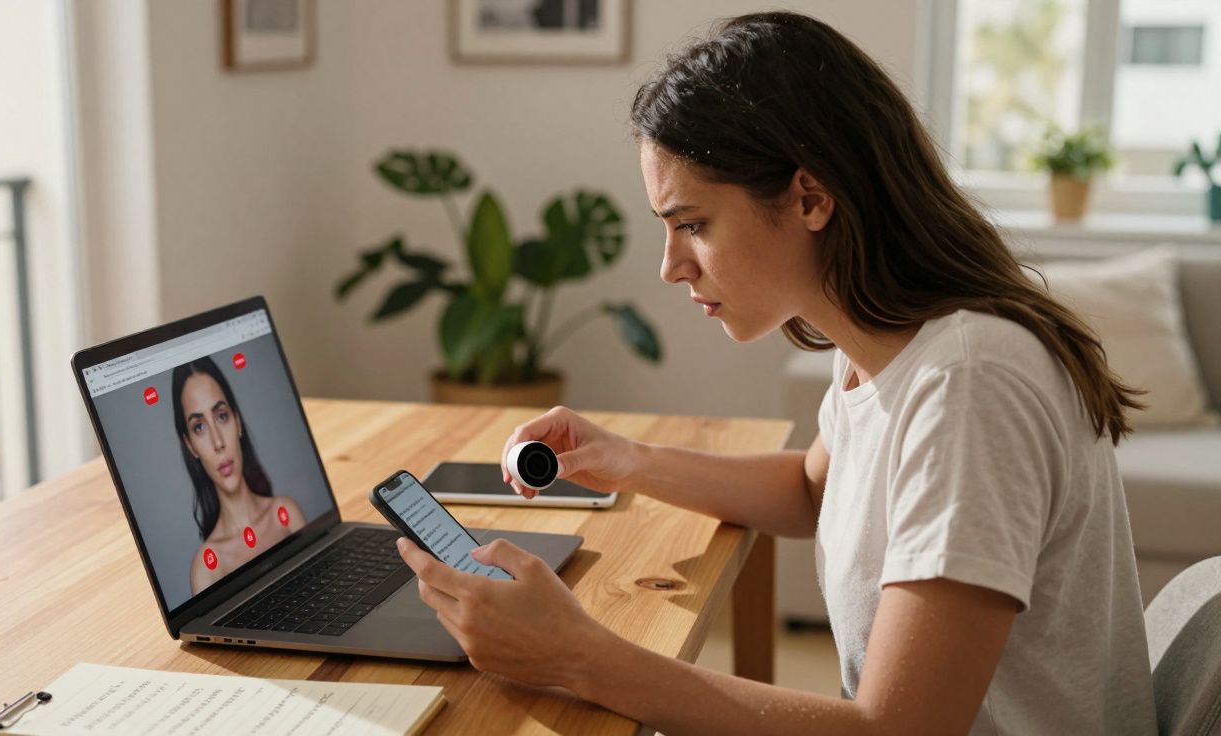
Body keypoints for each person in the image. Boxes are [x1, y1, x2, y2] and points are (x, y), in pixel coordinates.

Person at [394, 11, 1157, 735]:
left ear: (811, 198)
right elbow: (811, 491)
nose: (670, 266)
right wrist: (627, 460)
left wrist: (577, 654)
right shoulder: (883, 348)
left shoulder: (968, 384)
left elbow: (901, 728)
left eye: (693, 224)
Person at [175, 356, 306, 594]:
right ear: (190, 446)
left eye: (222, 416)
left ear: (238, 421)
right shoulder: (205, 569)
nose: (218, 442)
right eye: (199, 427)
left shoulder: (286, 512)